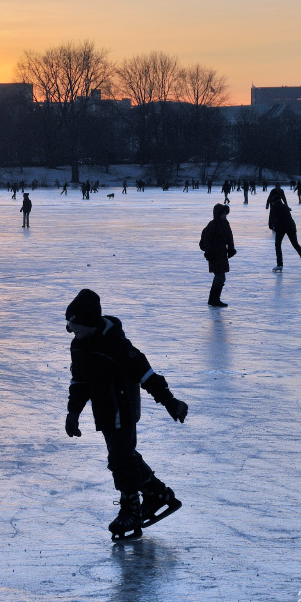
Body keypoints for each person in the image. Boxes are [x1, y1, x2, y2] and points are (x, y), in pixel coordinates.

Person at [63, 289, 189, 541]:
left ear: (88, 322)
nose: (70, 329)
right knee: (124, 456)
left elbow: (145, 373)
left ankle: (130, 509)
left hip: (123, 407)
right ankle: (157, 493)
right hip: (104, 411)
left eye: (73, 323)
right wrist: (72, 414)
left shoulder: (115, 343)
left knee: (120, 459)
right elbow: (79, 383)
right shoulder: (79, 346)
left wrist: (169, 401)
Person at [199, 203, 236, 308]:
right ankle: (215, 299)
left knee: (220, 276)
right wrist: (208, 252)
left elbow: (230, 237)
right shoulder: (212, 225)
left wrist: (231, 248)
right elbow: (206, 240)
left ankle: (213, 299)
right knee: (220, 276)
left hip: (222, 254)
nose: (225, 215)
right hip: (215, 254)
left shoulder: (225, 223)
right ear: (218, 214)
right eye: (223, 213)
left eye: (225, 213)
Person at [268, 191, 301, 272]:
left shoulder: (275, 208)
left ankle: (279, 265)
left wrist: (273, 227)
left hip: (281, 227)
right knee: (296, 245)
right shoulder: (285, 206)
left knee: (278, 245)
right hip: (291, 226)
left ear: (274, 202)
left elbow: (274, 219)